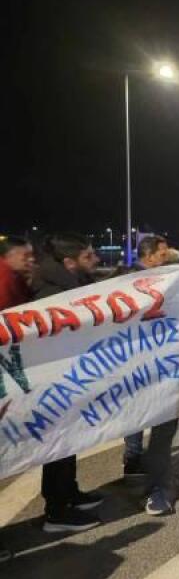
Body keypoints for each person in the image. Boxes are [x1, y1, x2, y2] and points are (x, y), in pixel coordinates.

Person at [32, 233, 104, 532]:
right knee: (58, 443)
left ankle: (69, 493)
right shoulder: (48, 294)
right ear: (69, 262)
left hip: (71, 377)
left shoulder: (70, 287)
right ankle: (56, 510)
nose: (97, 261)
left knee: (69, 440)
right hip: (55, 383)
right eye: (89, 257)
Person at [122, 235, 171, 480]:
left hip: (154, 351)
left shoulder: (161, 277)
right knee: (136, 408)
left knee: (152, 405)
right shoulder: (129, 280)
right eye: (162, 254)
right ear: (149, 256)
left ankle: (141, 457)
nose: (167, 258)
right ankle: (132, 458)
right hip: (135, 355)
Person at [0, 236, 35, 557]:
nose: (30, 260)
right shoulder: (4, 281)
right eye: (25, 255)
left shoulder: (13, 279)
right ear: (9, 255)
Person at [0, 235, 35, 308]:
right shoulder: (5, 277)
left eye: (31, 254)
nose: (32, 259)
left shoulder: (15, 273)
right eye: (26, 255)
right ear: (7, 256)